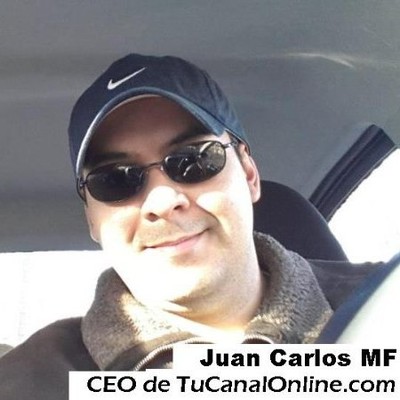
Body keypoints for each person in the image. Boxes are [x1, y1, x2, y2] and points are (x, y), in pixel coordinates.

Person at [0, 53, 378, 399]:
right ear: (91, 220)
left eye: (193, 159)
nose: (163, 201)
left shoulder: (382, 305)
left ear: (249, 174)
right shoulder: (30, 382)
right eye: (114, 179)